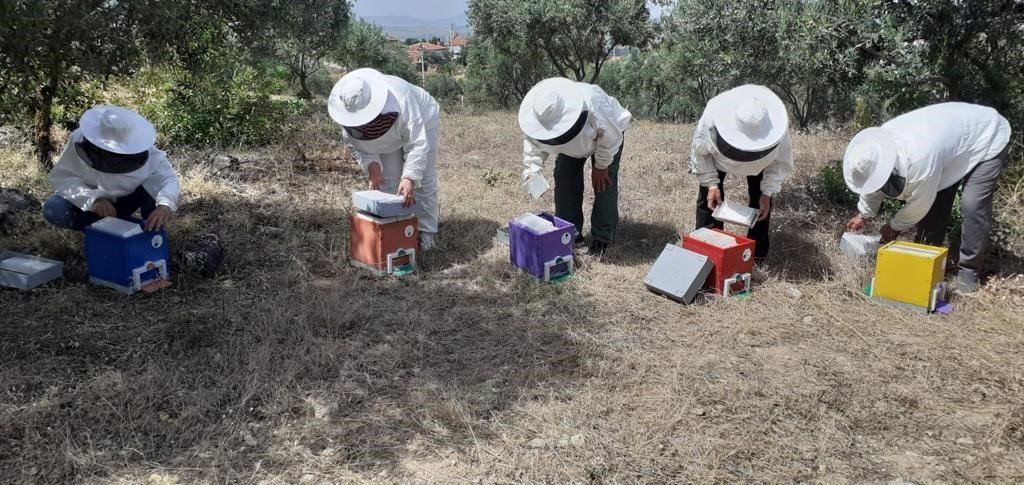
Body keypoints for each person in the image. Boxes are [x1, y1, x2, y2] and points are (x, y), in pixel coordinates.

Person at [843, 102, 1011, 293]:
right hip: (948, 146)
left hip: (986, 137)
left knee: (973, 204)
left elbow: (919, 206)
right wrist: (863, 214)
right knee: (938, 199)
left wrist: (894, 227)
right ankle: (930, 255)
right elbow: (874, 183)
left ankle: (968, 271)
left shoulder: (919, 161)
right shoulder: (877, 149)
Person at [328, 68, 441, 249]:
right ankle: (395, 231)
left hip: (424, 120)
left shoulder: (403, 100)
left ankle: (427, 233)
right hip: (388, 140)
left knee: (423, 181)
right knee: (387, 182)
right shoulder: (347, 119)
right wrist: (372, 165)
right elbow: (358, 146)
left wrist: (410, 177)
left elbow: (417, 143)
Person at [518, 77, 632, 256]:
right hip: (573, 147)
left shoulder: (593, 101)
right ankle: (569, 233)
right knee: (564, 179)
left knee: (604, 184)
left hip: (606, 138)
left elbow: (611, 137)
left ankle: (603, 238)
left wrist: (601, 166)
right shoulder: (537, 114)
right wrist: (533, 171)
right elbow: (533, 143)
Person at [690, 85, 793, 264]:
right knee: (709, 200)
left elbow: (778, 163)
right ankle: (706, 252)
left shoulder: (778, 131)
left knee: (761, 205)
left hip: (761, 162)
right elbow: (701, 153)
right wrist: (712, 185)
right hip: (719, 157)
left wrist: (766, 193)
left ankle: (756, 257)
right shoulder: (712, 116)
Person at [43, 105, 179, 232]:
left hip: (126, 200)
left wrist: (164, 206)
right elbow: (64, 177)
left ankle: (150, 230)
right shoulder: (79, 138)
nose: (112, 156)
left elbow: (167, 179)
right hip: (93, 206)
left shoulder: (148, 152)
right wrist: (94, 199)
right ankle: (127, 228)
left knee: (154, 191)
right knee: (55, 209)